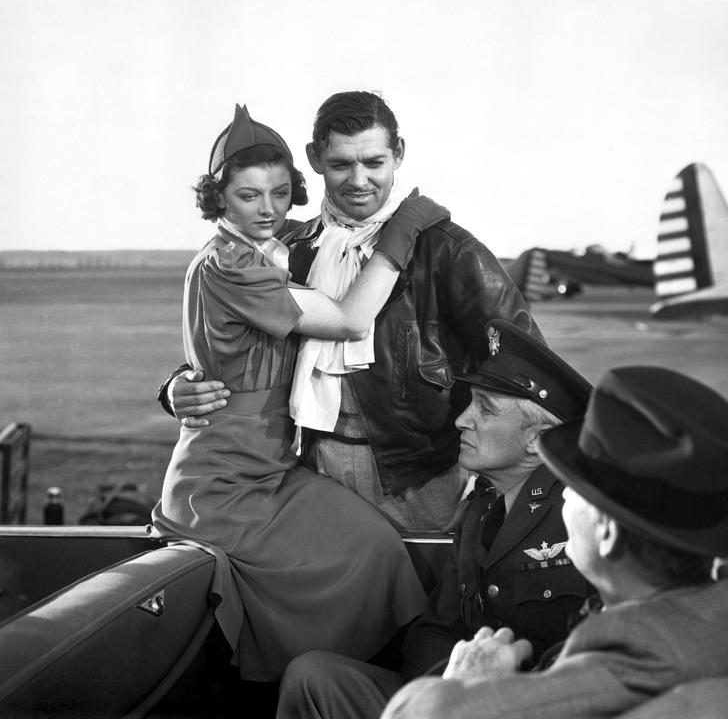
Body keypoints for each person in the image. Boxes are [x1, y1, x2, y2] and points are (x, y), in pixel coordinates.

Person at [151, 104, 443, 682]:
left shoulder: (278, 244)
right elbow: (348, 320)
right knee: (350, 563)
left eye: (281, 193)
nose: (268, 210)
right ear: (219, 200)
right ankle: (316, 687)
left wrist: (176, 385)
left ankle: (372, 685)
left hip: (276, 465)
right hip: (226, 477)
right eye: (248, 197)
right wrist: (404, 230)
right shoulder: (230, 264)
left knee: (376, 547)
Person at [159, 91, 541, 530]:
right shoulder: (291, 250)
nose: (359, 180)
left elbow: (523, 366)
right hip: (308, 468)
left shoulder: (447, 250)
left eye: (374, 163)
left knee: (422, 590)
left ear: (398, 154)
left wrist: (503, 470)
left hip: (417, 476)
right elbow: (242, 346)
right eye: (341, 164)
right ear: (315, 159)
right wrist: (177, 387)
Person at [381, 366, 728, 719]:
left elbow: (421, 713)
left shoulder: (624, 660)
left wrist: (466, 684)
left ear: (609, 533)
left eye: (572, 491)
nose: (561, 503)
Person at [275, 319, 594, 719]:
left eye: (486, 409)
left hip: (529, 705)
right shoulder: (481, 508)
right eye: (470, 402)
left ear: (535, 440)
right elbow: (436, 628)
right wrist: (444, 688)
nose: (463, 419)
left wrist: (480, 694)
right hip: (458, 697)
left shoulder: (577, 513)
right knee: (312, 675)